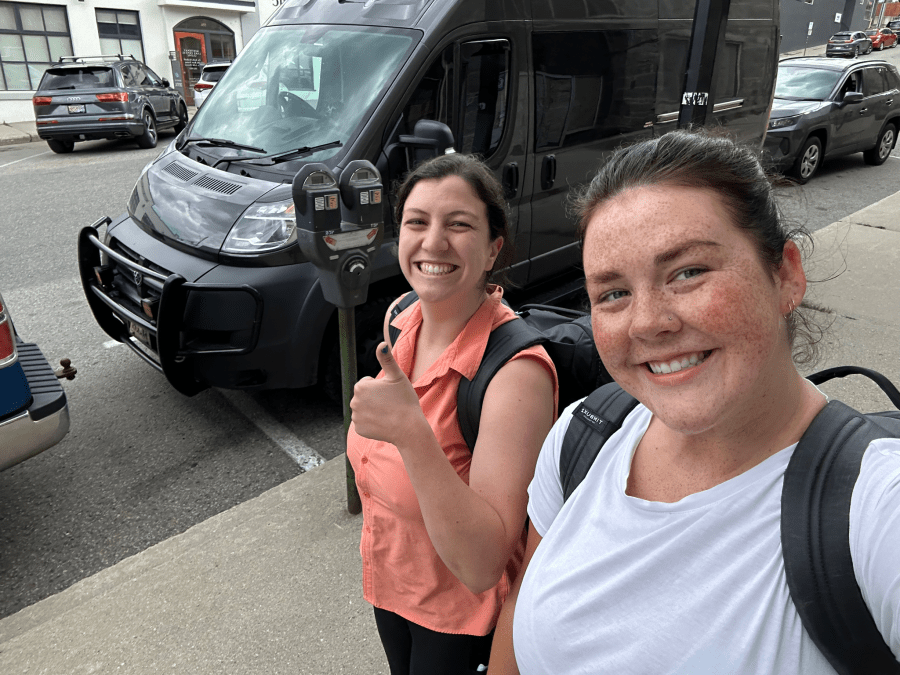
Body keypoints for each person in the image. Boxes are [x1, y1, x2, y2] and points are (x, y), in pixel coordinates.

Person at [488, 130, 900, 674]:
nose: (649, 323)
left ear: (786, 275)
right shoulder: (583, 436)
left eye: (688, 272)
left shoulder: (872, 509)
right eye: (613, 293)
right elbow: (520, 615)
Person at [347, 152, 559, 675]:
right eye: (416, 222)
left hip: (463, 623)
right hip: (393, 589)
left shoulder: (516, 375)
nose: (433, 242)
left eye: (459, 225)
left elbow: (484, 565)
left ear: (492, 250)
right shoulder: (402, 318)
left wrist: (411, 435)